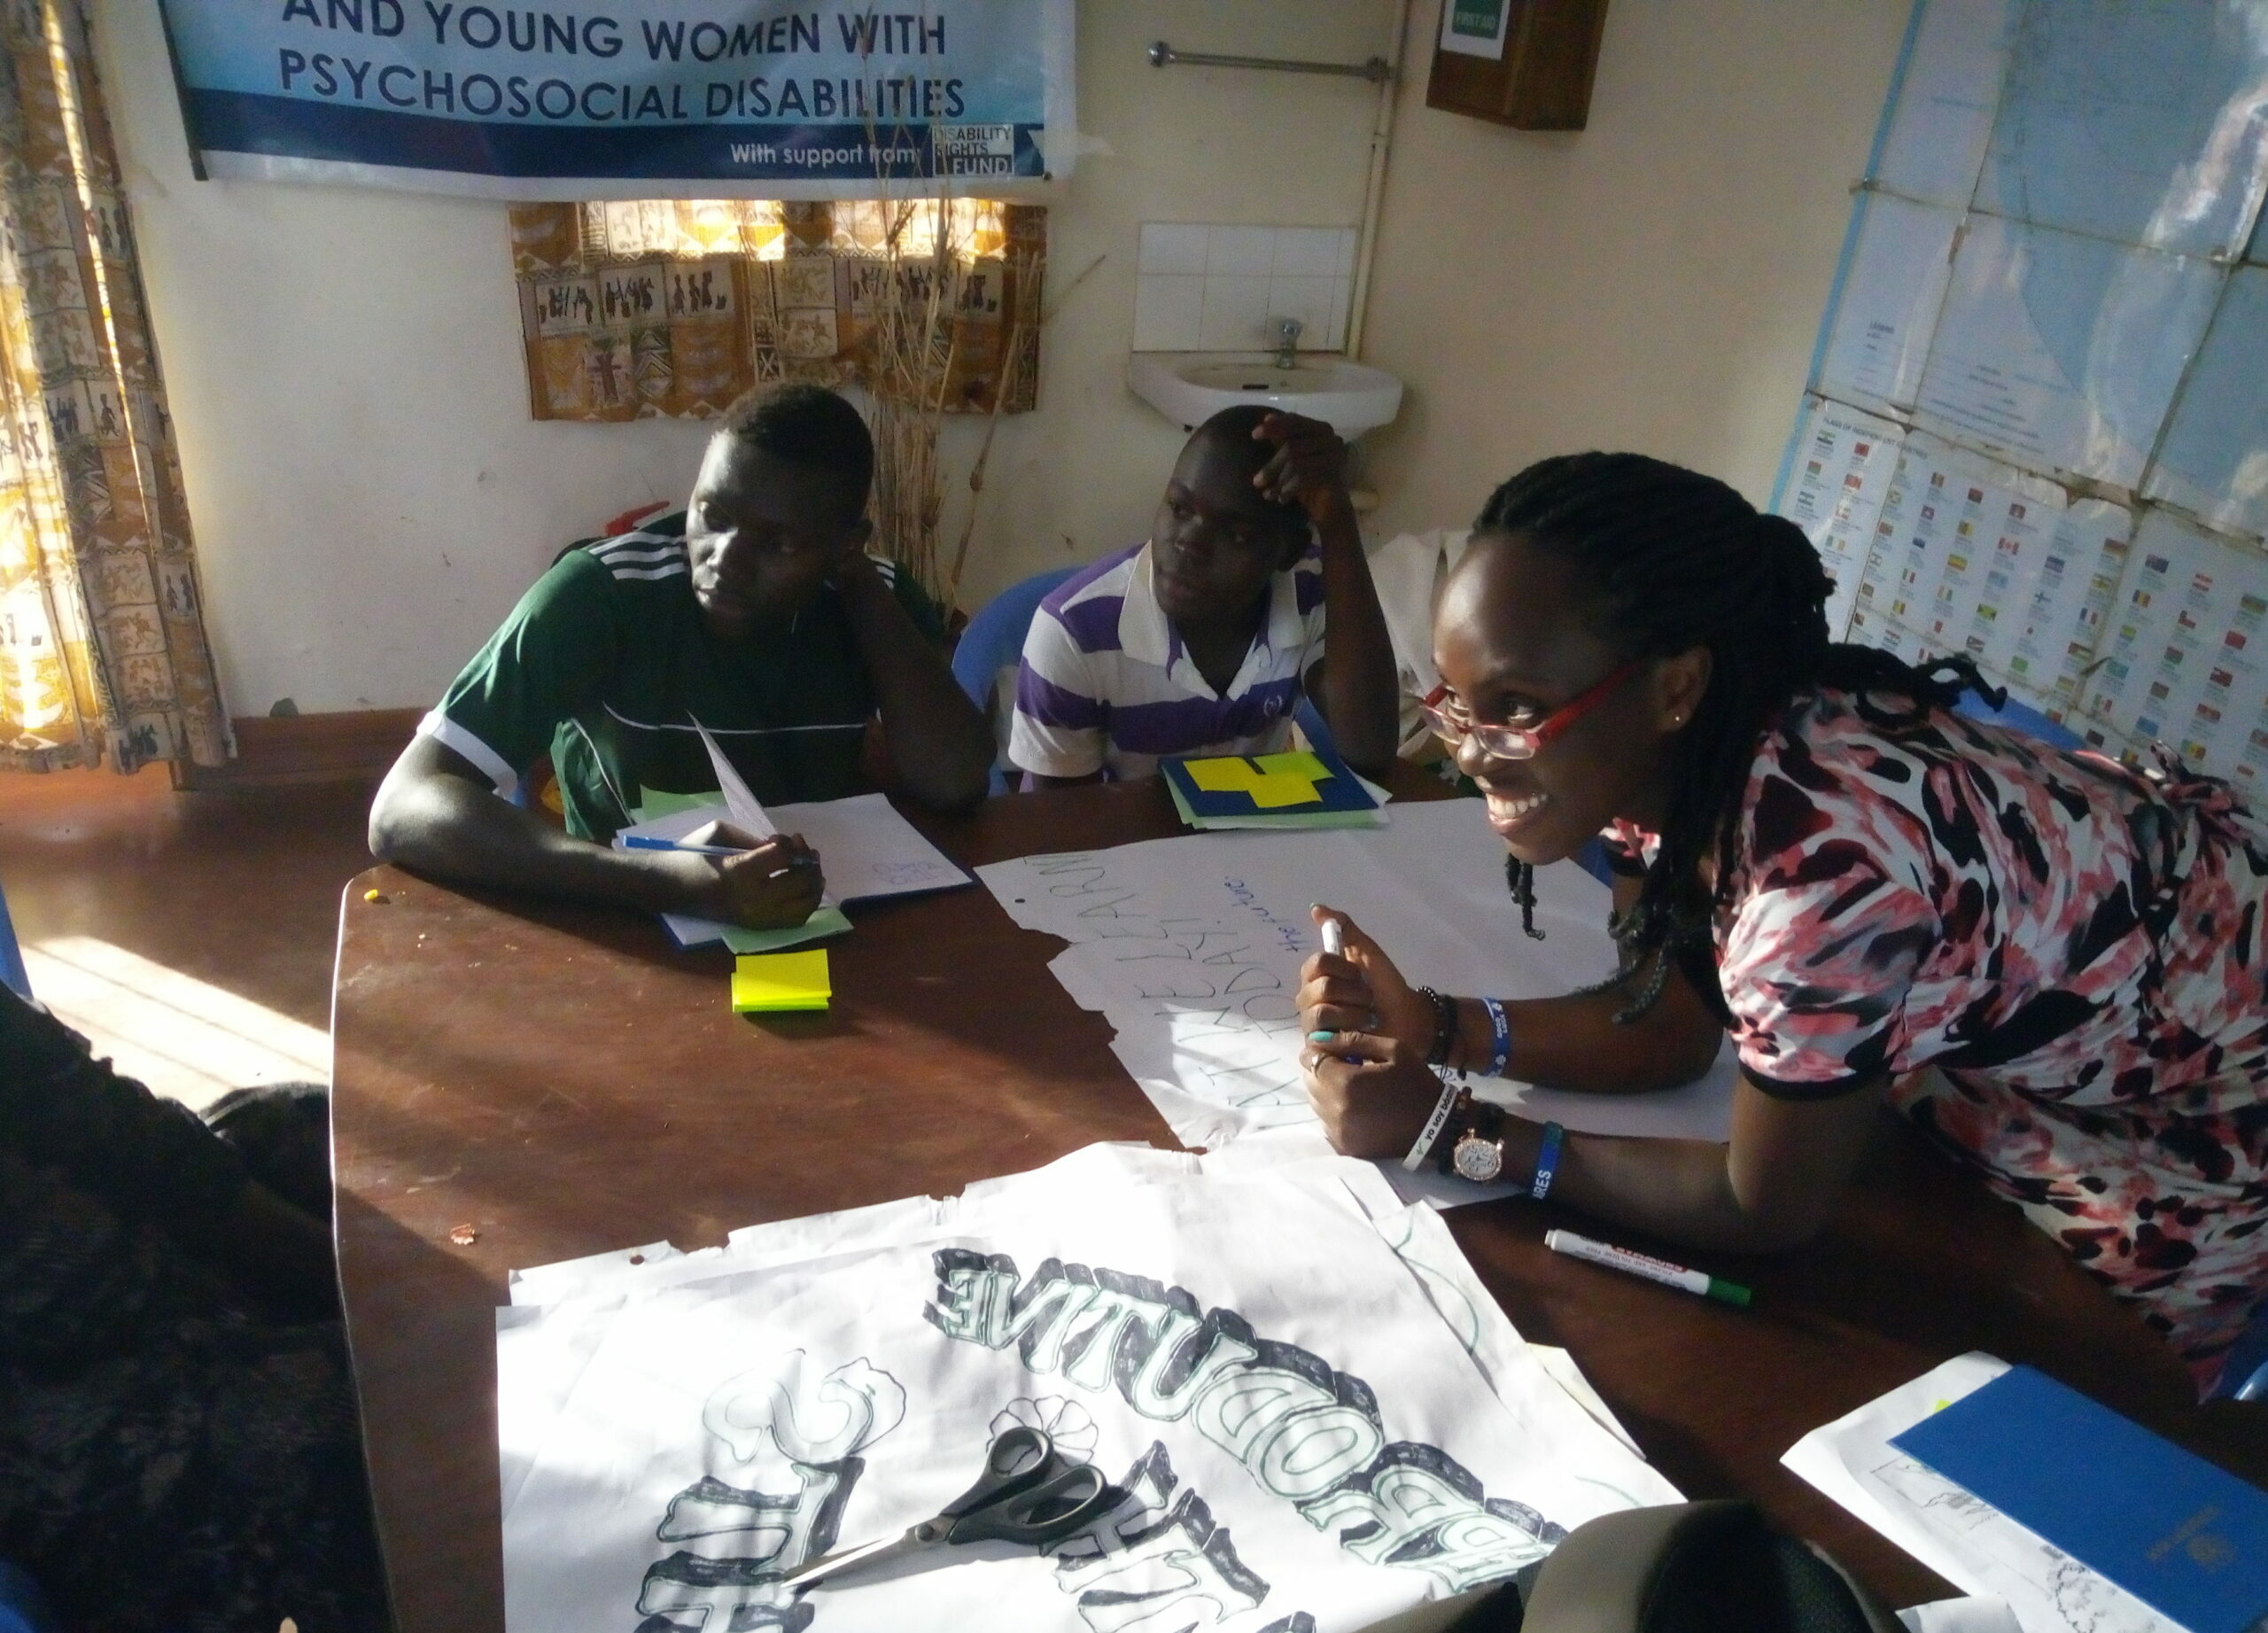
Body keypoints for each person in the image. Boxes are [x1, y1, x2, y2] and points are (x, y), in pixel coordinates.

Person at [1298, 452, 2268, 1396]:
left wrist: (1447, 1128)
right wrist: (1433, 1027)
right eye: (1453, 704)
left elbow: (1758, 1206)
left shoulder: (1820, 876)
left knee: (1966, 1366)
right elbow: (1673, 1026)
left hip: (2191, 1128)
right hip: (2034, 1045)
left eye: (1513, 708)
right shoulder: (1687, 753)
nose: (1469, 753)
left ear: (1674, 686)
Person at [369, 385, 993, 929]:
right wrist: (667, 883)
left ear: (843, 545)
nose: (725, 559)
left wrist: (857, 582)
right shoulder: (604, 595)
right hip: (627, 913)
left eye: (779, 543)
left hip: (807, 916)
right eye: (712, 514)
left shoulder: (869, 597)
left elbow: (955, 782)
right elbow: (403, 807)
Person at [0, 987, 405, 1633]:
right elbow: (74, 1285)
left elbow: (98, 1115)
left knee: (303, 1129)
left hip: (85, 1290)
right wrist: (362, 1311)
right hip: (27, 1420)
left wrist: (361, 1279)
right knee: (349, 1428)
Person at [1008, 407, 1400, 785]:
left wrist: (1337, 520)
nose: (1189, 543)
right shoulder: (1074, 634)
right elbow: (1058, 825)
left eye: (1236, 534)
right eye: (1179, 508)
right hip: (1124, 841)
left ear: (1289, 553)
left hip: (1250, 835)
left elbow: (1370, 747)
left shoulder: (1310, 590)